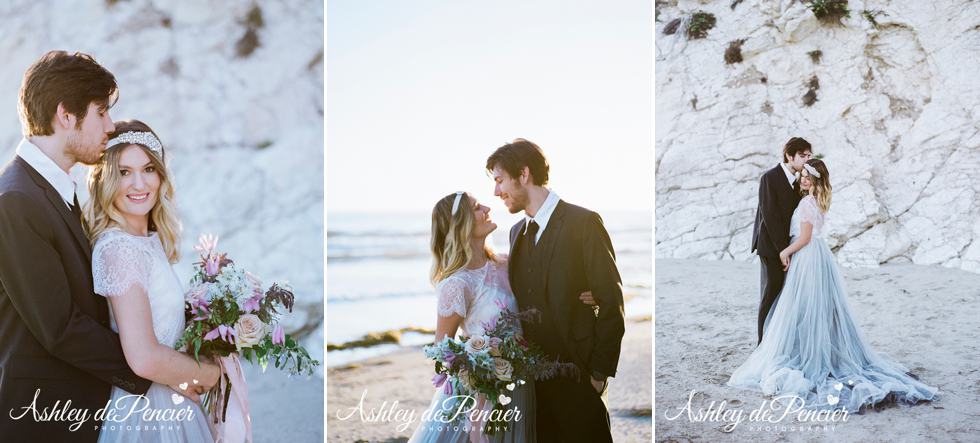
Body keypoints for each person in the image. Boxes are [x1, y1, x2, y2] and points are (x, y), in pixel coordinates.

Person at [0, 50, 187, 442]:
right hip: (42, 417)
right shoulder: (15, 200)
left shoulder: (52, 191)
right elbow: (60, 327)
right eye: (101, 111)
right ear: (66, 115)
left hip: (82, 410)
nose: (110, 124)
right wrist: (159, 367)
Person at [729, 159, 938, 412]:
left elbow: (804, 237)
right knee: (814, 307)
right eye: (803, 175)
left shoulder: (807, 202)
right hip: (818, 256)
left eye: (808, 177)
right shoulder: (818, 200)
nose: (803, 180)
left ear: (816, 180)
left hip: (807, 256)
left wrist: (785, 252)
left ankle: (807, 353)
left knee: (801, 306)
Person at [85, 119, 219, 441]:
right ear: (106, 180)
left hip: (171, 398)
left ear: (160, 176)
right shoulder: (118, 248)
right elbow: (144, 357)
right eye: (124, 172)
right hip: (146, 412)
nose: (138, 184)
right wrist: (212, 373)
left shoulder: (146, 241)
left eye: (148, 169)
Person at [487, 139, 625, 443]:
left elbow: (612, 301)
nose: (496, 192)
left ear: (524, 174)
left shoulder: (583, 223)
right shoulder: (515, 234)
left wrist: (598, 375)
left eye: (499, 180)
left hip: (579, 378)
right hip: (532, 389)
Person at [751, 137, 811, 343]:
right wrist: (782, 251)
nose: (806, 160)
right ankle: (762, 342)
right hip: (770, 246)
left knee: (785, 293)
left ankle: (778, 339)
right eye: (802, 156)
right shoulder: (770, 177)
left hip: (788, 246)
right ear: (789, 155)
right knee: (771, 291)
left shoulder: (800, 180)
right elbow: (770, 217)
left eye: (809, 156)